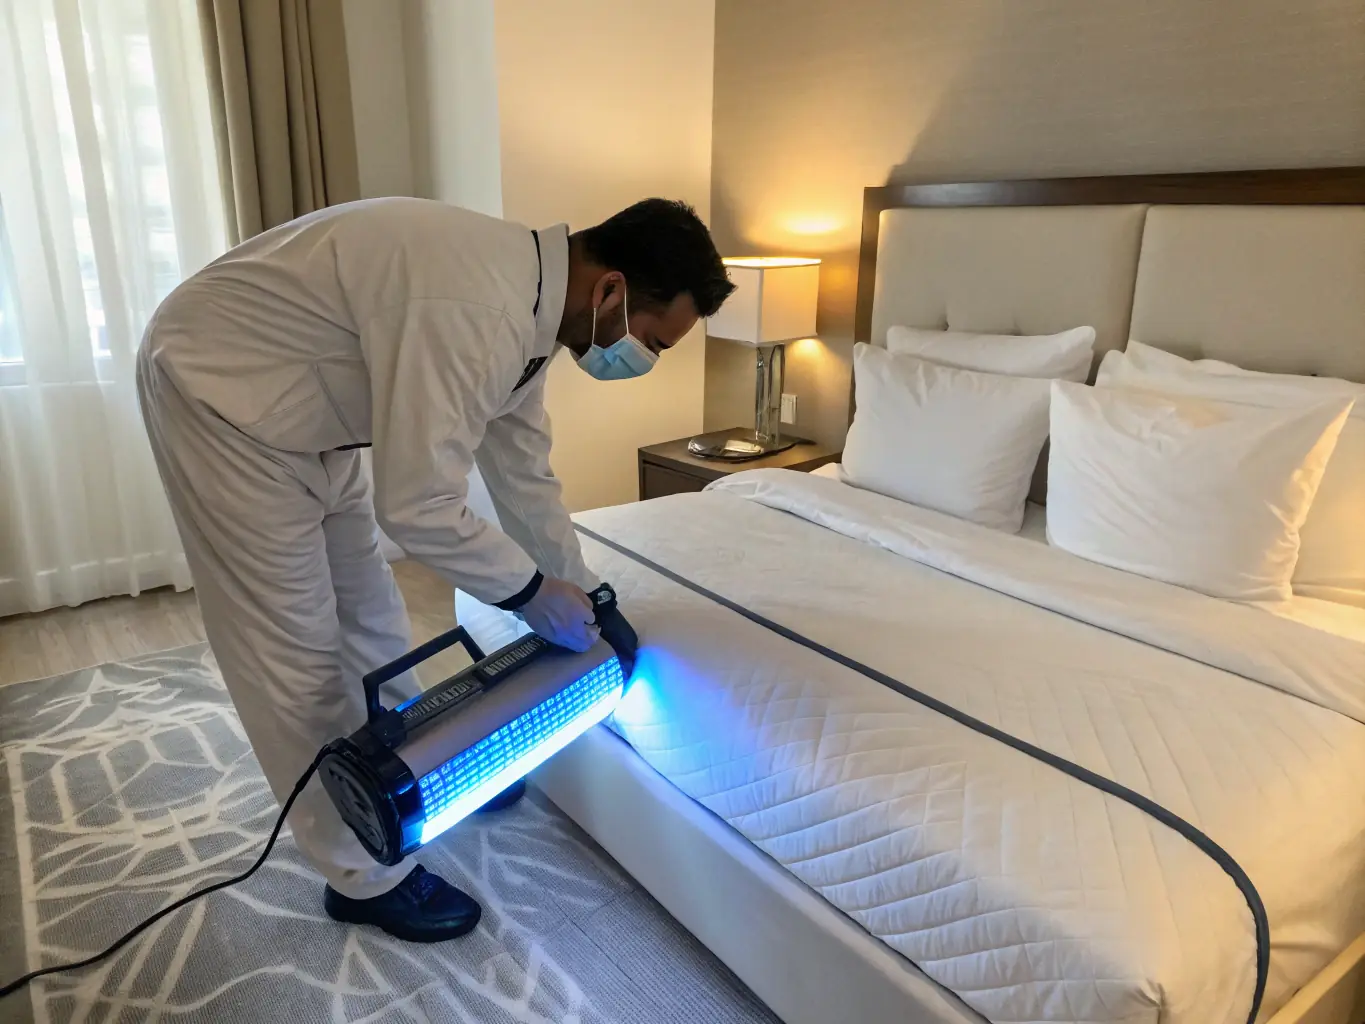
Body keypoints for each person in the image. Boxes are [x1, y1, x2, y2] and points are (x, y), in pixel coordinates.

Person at [136, 197, 734, 943]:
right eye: (653, 340)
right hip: (219, 395)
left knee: (373, 618)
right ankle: (362, 875)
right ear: (610, 290)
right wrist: (526, 593)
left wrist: (572, 585)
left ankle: (424, 771)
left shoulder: (526, 314)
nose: (642, 358)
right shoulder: (476, 304)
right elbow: (418, 505)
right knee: (293, 652)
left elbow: (522, 471)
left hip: (312, 416)